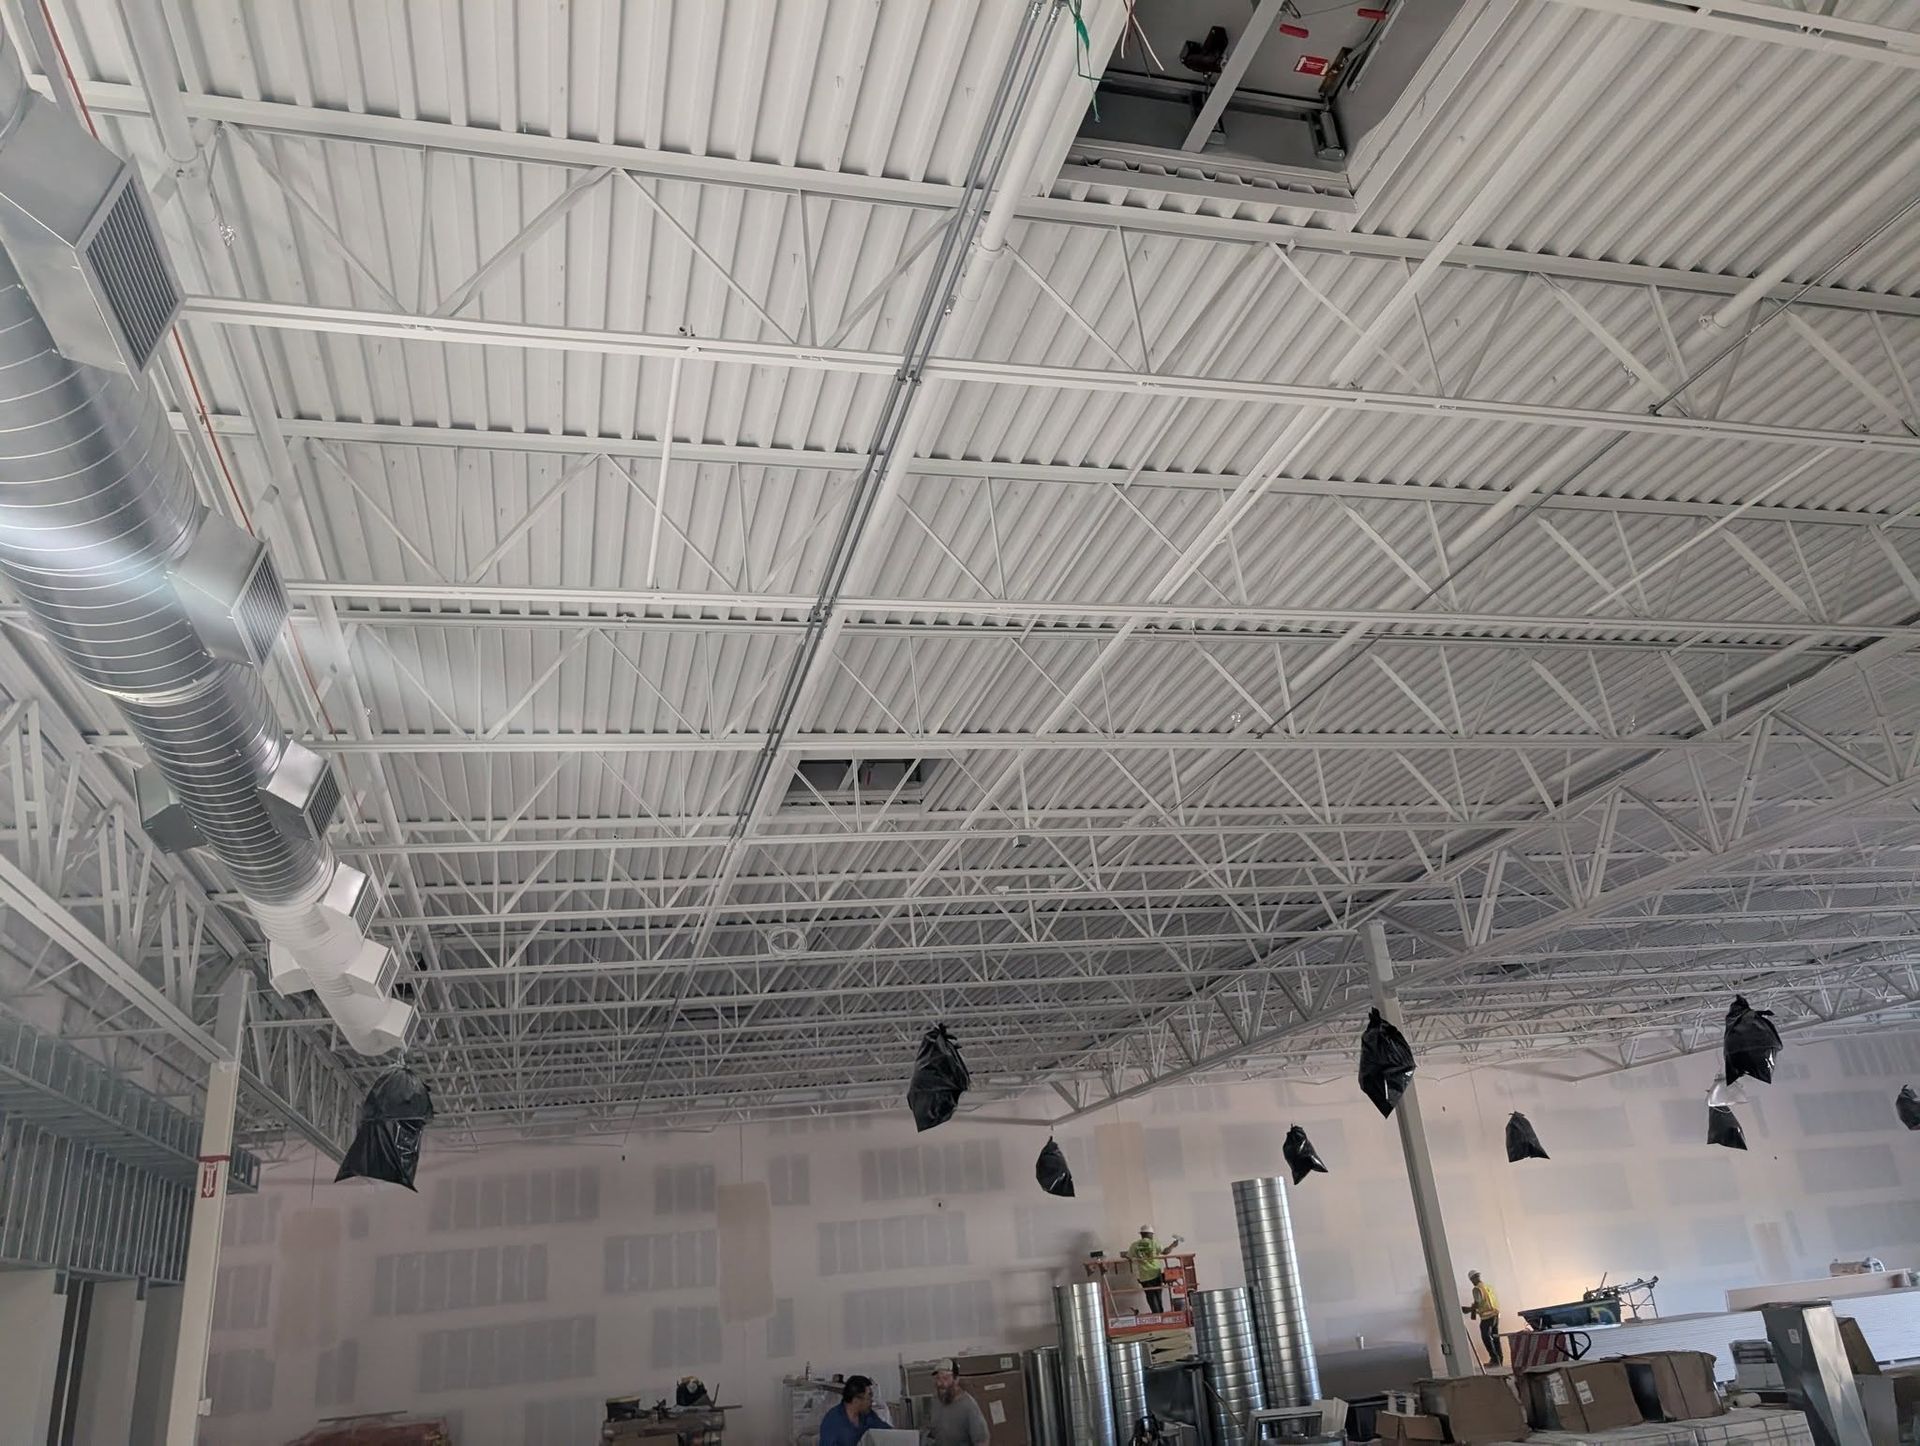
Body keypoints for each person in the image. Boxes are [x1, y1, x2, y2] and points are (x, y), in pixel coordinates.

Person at [928, 1361, 990, 1446]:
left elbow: (982, 1442)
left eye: (945, 1378)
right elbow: (933, 1432)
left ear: (956, 1379)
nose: (939, 1383)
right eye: (938, 1378)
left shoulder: (968, 1406)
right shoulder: (935, 1401)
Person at [1125, 1225, 1183, 1313]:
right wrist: (1173, 1245)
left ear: (1141, 1234)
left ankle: (1156, 1314)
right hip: (1155, 1273)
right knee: (1158, 1295)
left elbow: (1128, 1257)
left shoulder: (1134, 1245)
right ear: (1150, 1234)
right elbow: (1165, 1252)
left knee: (1150, 1296)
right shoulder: (1154, 1243)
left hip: (1143, 1275)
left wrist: (1138, 1259)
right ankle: (1160, 1313)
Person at [819, 1375, 885, 1446]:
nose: (872, 1400)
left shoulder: (868, 1415)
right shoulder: (833, 1421)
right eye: (869, 1396)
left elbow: (888, 1432)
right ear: (856, 1400)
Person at [1462, 1269, 1502, 1367]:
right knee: (1495, 1337)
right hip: (1495, 1314)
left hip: (1487, 1317)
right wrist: (1473, 1310)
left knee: (1486, 1337)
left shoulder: (1476, 1289)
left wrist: (1469, 1310)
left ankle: (1494, 1359)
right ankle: (1499, 1359)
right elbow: (1486, 1303)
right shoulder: (1488, 1287)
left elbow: (1477, 1303)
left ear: (1471, 1279)